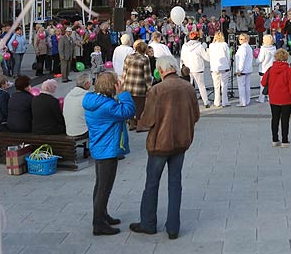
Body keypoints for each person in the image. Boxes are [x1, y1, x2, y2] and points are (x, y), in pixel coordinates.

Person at [129, 55, 200, 240]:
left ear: (160, 71)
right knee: (175, 183)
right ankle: (173, 227)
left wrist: (140, 120)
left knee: (152, 184)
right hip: (181, 142)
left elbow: (147, 121)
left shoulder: (157, 90)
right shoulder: (188, 87)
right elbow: (196, 115)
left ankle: (148, 223)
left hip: (159, 144)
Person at [84, 72, 136, 236]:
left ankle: (102, 215)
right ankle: (98, 224)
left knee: (100, 185)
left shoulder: (93, 100)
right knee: (104, 188)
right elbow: (128, 111)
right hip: (108, 150)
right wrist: (123, 93)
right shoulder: (107, 106)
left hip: (99, 147)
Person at [261, 49, 291, 147]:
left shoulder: (270, 69)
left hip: (274, 98)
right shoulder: (289, 70)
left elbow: (263, 82)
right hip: (286, 99)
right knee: (285, 120)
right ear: (286, 58)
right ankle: (285, 141)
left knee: (275, 118)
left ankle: (275, 140)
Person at [122, 52, 152, 130]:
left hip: (128, 85)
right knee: (140, 106)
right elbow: (147, 75)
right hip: (140, 86)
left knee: (130, 105)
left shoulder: (128, 57)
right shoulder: (144, 59)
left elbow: (124, 72)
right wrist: (149, 86)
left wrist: (123, 83)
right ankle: (140, 125)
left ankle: (131, 123)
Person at [180, 31, 210, 108]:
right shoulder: (200, 46)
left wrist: (182, 67)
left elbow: (182, 58)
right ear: (198, 37)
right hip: (197, 68)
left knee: (188, 86)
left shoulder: (184, 46)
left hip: (187, 68)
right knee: (201, 86)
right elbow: (207, 58)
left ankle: (187, 101)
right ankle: (206, 102)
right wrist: (207, 50)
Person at [63, 72, 92, 136]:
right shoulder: (87, 96)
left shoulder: (68, 95)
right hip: (82, 131)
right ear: (86, 84)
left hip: (69, 130)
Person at [208, 31, 231, 107]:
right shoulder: (224, 45)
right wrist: (229, 64)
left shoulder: (211, 45)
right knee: (224, 84)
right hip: (224, 66)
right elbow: (228, 56)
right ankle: (225, 101)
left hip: (214, 67)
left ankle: (217, 101)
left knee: (216, 85)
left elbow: (210, 56)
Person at [235, 33, 253, 107]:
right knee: (247, 86)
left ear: (246, 39)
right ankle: (247, 100)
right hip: (248, 69)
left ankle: (242, 102)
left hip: (243, 70)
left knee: (241, 86)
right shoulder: (249, 47)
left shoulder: (242, 48)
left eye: (241, 39)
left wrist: (240, 70)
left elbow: (241, 60)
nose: (240, 40)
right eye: (239, 39)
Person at [257, 34, 277, 103]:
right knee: (270, 84)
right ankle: (269, 97)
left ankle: (261, 98)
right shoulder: (274, 48)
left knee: (263, 84)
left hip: (263, 68)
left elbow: (260, 59)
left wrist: (256, 59)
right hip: (271, 68)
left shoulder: (263, 49)